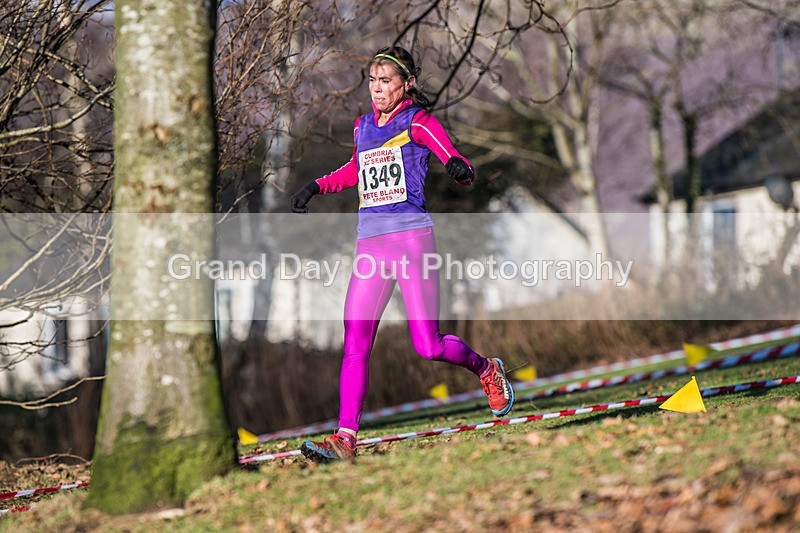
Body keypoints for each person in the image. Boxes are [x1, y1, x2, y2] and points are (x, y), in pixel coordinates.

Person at [290, 45, 514, 463]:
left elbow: (451, 154)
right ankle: (345, 438)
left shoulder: (418, 121)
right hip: (370, 244)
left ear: (405, 84)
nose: (377, 90)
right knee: (355, 338)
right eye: (372, 81)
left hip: (412, 241)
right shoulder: (361, 127)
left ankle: (486, 369)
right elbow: (356, 169)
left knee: (427, 345)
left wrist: (457, 167)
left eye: (386, 81)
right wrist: (316, 186)